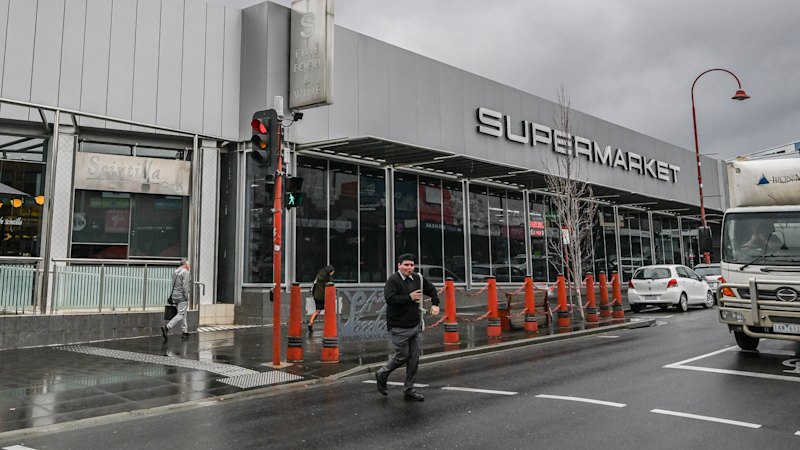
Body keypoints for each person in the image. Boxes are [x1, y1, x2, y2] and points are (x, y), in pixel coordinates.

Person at [375, 253, 440, 401]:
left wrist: (435, 303)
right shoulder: (393, 280)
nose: (409, 268)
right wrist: (409, 297)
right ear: (399, 265)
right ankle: (382, 373)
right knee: (402, 356)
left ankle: (409, 388)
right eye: (406, 265)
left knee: (414, 358)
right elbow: (390, 299)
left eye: (411, 265)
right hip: (398, 326)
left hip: (415, 324)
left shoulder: (418, 278)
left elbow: (431, 289)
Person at [162, 259, 191, 339]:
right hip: (182, 296)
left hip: (175, 295)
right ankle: (167, 327)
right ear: (185, 265)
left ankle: (185, 332)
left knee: (182, 313)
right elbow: (185, 286)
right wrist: (186, 296)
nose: (189, 266)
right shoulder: (186, 272)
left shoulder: (175, 272)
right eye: (188, 265)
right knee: (181, 314)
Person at [308, 264, 335, 332]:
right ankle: (329, 324)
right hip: (323, 297)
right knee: (328, 310)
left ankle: (311, 322)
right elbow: (330, 286)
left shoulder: (319, 276)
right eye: (332, 272)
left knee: (317, 310)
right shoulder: (327, 278)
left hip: (316, 296)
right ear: (330, 272)